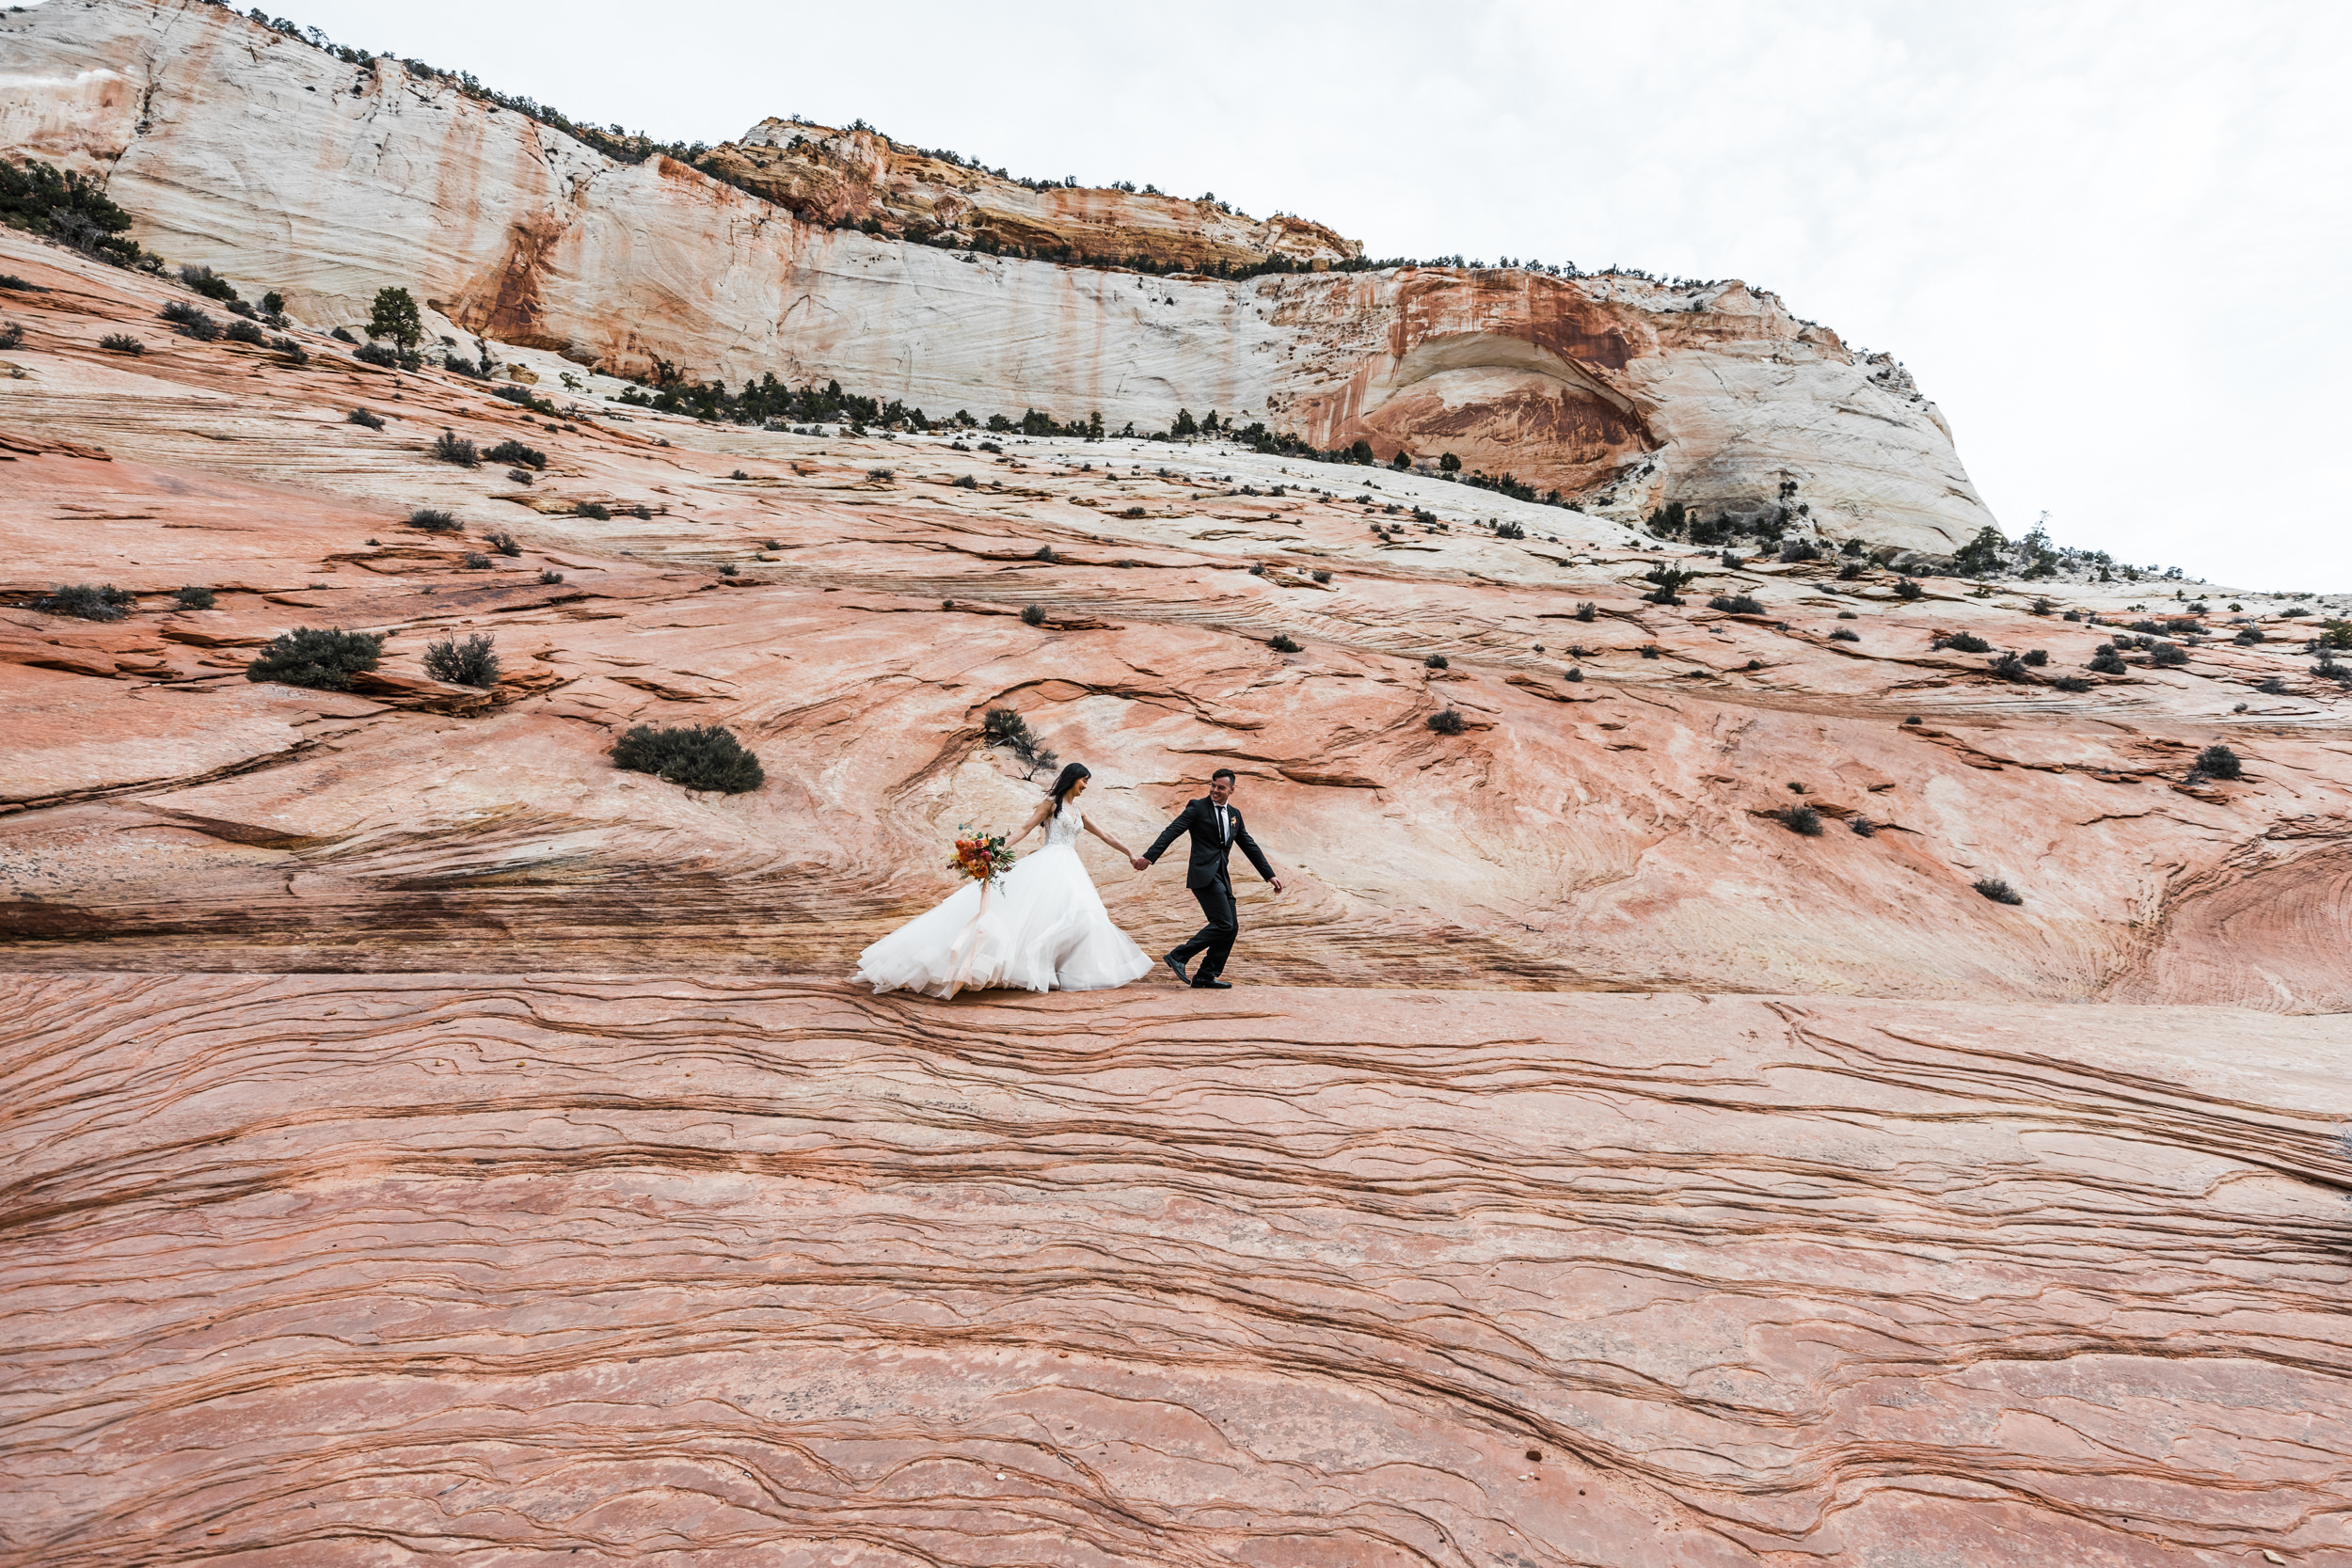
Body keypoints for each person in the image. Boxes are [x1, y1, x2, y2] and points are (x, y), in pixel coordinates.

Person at [854, 762, 1152, 999]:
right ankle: (1030, 970)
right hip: (1049, 863)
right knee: (1038, 917)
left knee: (1082, 917)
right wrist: (993, 850)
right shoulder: (1051, 804)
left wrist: (1129, 853)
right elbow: (1024, 828)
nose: (1086, 785)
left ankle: (1057, 970)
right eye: (1084, 779)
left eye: (1087, 781)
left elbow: (1105, 834)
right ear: (1072, 778)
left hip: (1070, 865)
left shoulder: (1079, 811)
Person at [1135, 767, 1283, 990]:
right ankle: (1178, 956)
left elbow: (1249, 845)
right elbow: (1172, 831)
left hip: (1222, 875)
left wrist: (1269, 875)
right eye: (1212, 785)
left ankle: (1206, 975)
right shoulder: (1197, 807)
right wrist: (1149, 857)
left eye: (1220, 787)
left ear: (1231, 790)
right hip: (1203, 874)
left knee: (1231, 927)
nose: (1214, 790)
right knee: (1223, 923)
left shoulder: (1235, 815)